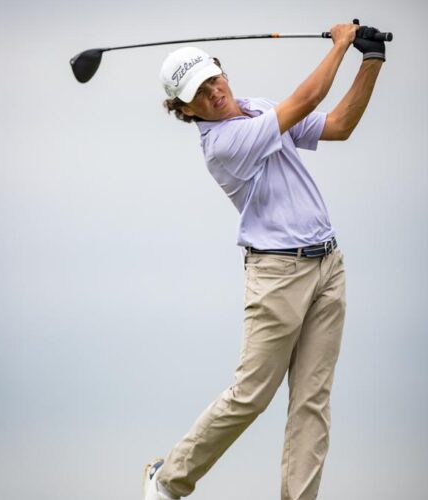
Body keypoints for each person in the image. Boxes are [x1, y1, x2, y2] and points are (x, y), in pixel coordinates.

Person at [143, 21, 385, 500]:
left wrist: (371, 61)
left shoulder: (258, 107)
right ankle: (168, 478)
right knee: (252, 394)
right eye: (199, 90)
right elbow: (308, 100)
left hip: (327, 265)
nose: (214, 91)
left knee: (312, 401)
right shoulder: (223, 145)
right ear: (183, 108)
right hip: (277, 274)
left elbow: (338, 126)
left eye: (214, 78)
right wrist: (341, 45)